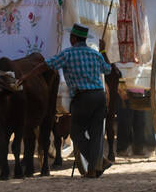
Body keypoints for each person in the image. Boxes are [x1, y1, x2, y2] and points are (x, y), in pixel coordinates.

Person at [45, 24, 115, 178]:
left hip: (82, 98)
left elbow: (49, 65)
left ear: (73, 38)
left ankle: (100, 162)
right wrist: (102, 50)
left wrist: (29, 73)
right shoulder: (95, 54)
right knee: (96, 134)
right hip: (99, 96)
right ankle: (94, 168)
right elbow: (108, 69)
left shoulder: (67, 54)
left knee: (76, 134)